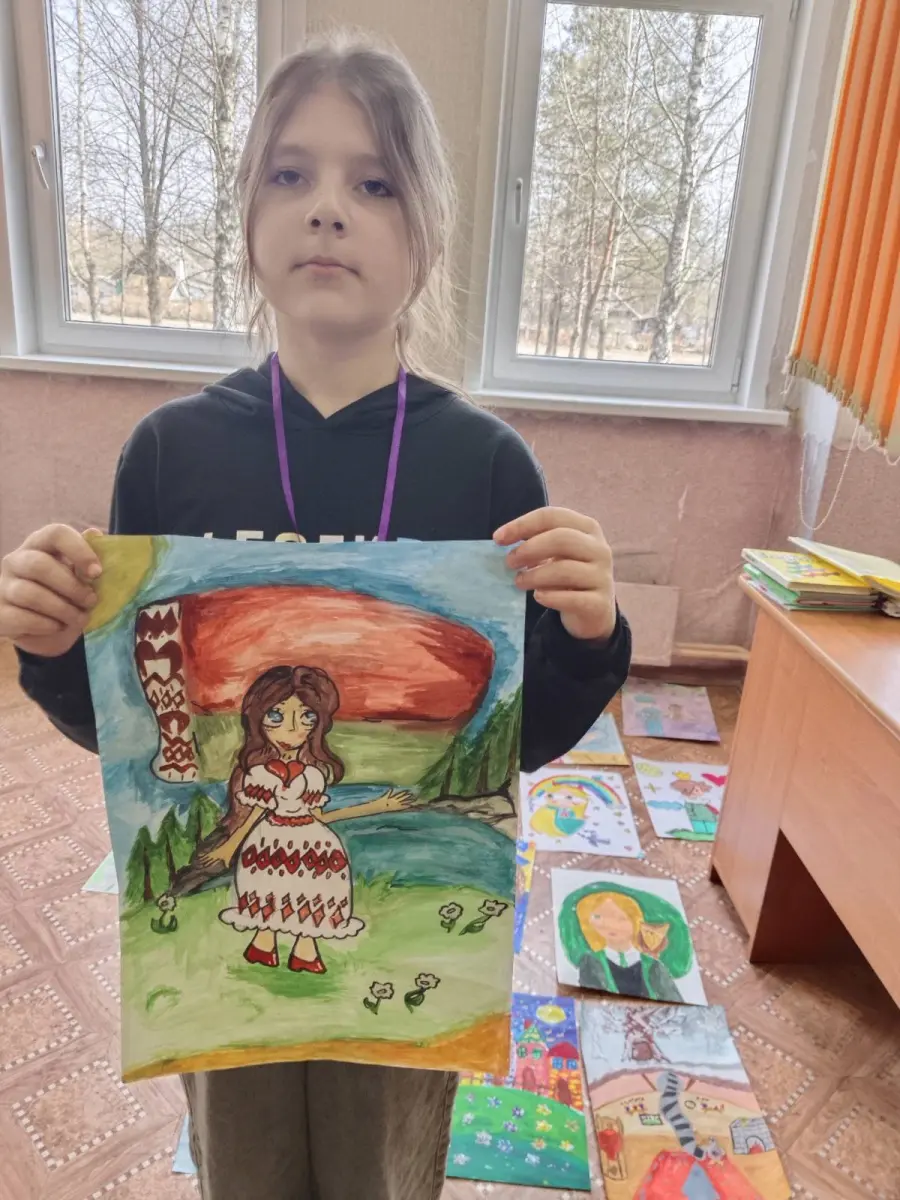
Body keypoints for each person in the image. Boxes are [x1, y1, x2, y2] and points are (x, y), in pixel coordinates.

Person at [0, 32, 631, 1200]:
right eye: (291, 174)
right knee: (243, 1157)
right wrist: (51, 652)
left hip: (404, 993)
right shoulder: (169, 454)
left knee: (383, 1157)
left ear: (426, 232)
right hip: (218, 982)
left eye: (374, 182)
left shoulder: (488, 466)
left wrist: (591, 638)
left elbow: (521, 741)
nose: (328, 208)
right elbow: (135, 736)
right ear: (248, 219)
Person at [214, 664, 363, 973]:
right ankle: (262, 944)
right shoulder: (259, 773)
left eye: (307, 717)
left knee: (312, 892)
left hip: (313, 841)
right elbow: (256, 811)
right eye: (276, 716)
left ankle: (305, 950)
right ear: (257, 718)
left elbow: (321, 815)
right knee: (267, 889)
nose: (292, 730)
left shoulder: (313, 775)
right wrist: (230, 846)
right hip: (270, 839)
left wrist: (375, 806)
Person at [574, 891, 683, 1002]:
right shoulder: (591, 961)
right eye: (600, 917)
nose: (611, 926)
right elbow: (590, 1000)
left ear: (635, 921)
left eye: (621, 919)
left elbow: (674, 1002)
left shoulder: (652, 965)